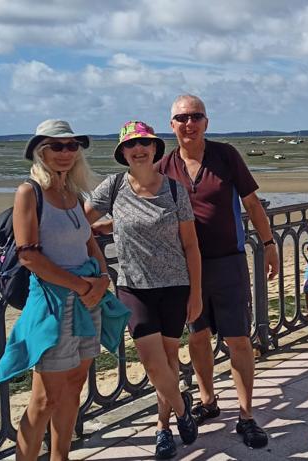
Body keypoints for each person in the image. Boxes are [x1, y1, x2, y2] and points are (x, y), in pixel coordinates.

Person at [0, 119, 130, 461]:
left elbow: (89, 240)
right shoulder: (29, 192)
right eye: (57, 146)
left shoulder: (73, 193)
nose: (66, 152)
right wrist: (83, 285)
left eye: (72, 146)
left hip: (87, 299)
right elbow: (28, 256)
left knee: (74, 387)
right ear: (41, 151)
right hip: (53, 302)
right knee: (44, 398)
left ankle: (61, 456)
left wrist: (101, 278)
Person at [157, 94, 279, 449]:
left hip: (228, 262)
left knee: (239, 339)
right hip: (186, 268)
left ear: (206, 122)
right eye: (182, 118)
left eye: (196, 116)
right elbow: (142, 205)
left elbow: (252, 202)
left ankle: (246, 415)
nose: (189, 123)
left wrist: (269, 244)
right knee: (198, 337)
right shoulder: (164, 166)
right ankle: (208, 402)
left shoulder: (225, 155)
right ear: (172, 126)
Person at [84, 121, 201, 459]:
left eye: (145, 143)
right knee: (152, 363)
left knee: (169, 360)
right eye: (131, 144)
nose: (138, 149)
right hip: (135, 288)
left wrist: (196, 293)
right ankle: (182, 410)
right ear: (123, 152)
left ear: (154, 149)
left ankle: (163, 427)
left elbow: (191, 246)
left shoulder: (176, 190)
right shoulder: (114, 186)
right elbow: (79, 222)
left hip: (176, 286)